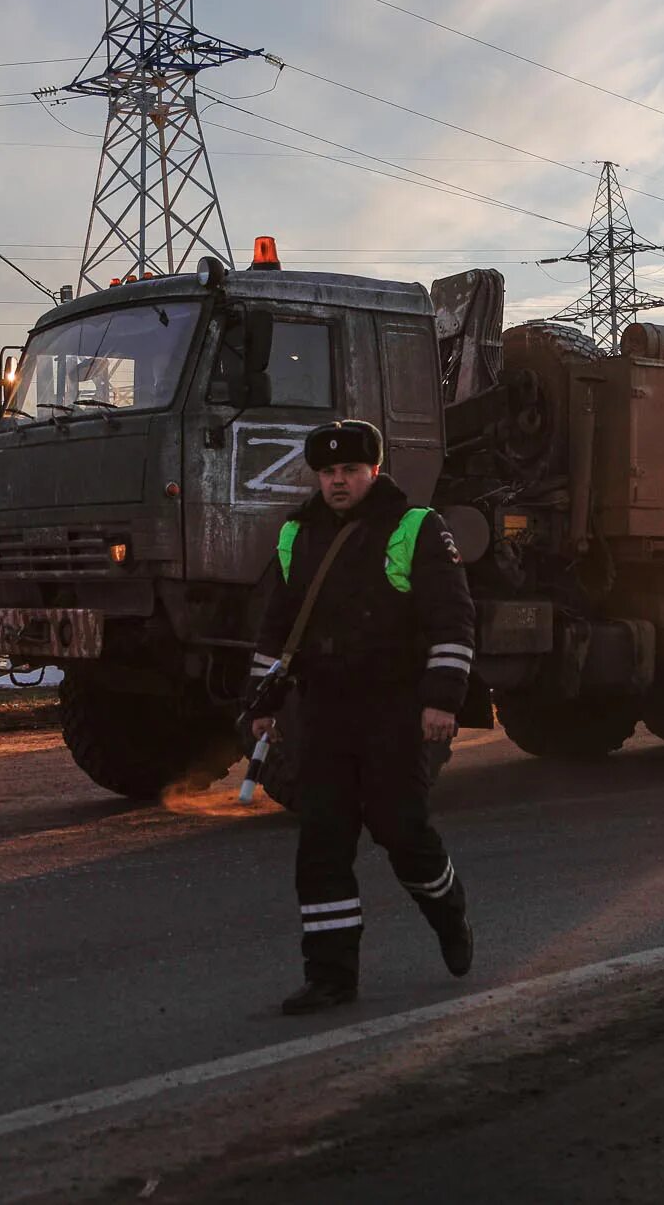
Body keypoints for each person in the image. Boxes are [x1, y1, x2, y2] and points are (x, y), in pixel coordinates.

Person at [247, 419, 477, 1015]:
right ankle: (330, 978)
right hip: (321, 711)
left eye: (350, 470)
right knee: (321, 845)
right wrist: (264, 705)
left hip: (394, 709)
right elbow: (277, 628)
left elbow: (452, 621)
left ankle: (448, 910)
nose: (338, 482)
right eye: (328, 473)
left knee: (402, 831)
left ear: (374, 470)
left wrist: (442, 700)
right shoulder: (297, 534)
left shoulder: (416, 527)